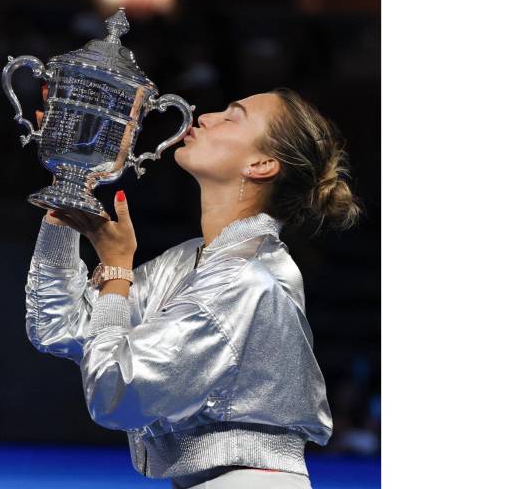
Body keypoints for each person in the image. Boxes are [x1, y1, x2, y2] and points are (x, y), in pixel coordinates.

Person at [24, 87, 361, 488]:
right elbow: (59, 325)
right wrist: (73, 181)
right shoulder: (191, 262)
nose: (205, 117)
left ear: (261, 163)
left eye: (232, 116)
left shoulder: (245, 277)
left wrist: (117, 269)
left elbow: (115, 392)